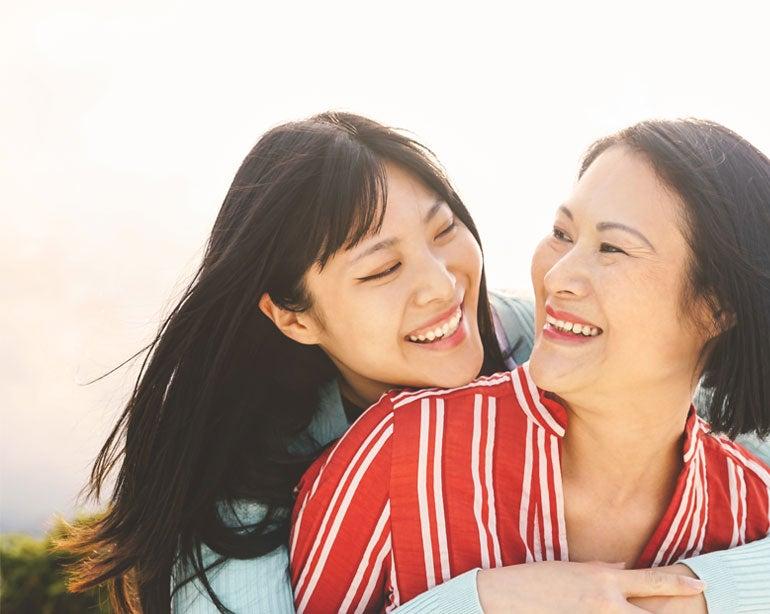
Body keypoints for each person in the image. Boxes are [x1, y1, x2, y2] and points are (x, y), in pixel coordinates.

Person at [290, 118, 770, 614]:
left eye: (611, 248)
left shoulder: (752, 511)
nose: (557, 275)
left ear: (717, 306)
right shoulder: (396, 452)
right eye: (562, 234)